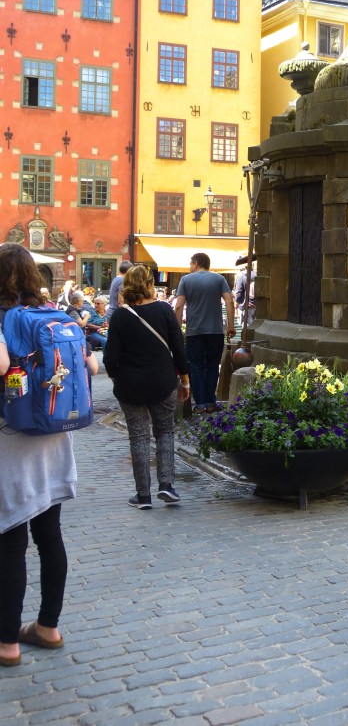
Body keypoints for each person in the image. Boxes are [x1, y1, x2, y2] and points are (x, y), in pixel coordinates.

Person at [0, 243, 97, 668]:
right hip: (56, 435)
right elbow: (91, 368)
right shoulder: (55, 315)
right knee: (49, 535)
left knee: (10, 543)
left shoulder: (4, 318)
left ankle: (7, 643)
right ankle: (48, 626)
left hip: (13, 441)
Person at [104, 265, 190, 509]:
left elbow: (110, 358)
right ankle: (167, 485)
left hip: (130, 384)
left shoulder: (120, 316)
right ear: (150, 284)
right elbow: (179, 348)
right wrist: (185, 380)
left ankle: (143, 495)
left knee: (139, 436)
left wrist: (115, 378)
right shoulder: (164, 310)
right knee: (164, 432)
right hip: (163, 381)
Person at [175, 252, 235, 412]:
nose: (189, 267)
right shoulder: (219, 279)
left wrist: (177, 328)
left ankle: (200, 403)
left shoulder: (186, 280)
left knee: (195, 366)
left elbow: (179, 306)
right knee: (213, 365)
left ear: (195, 263)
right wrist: (231, 326)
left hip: (194, 331)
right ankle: (210, 402)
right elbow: (229, 300)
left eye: (190, 263)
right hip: (215, 330)